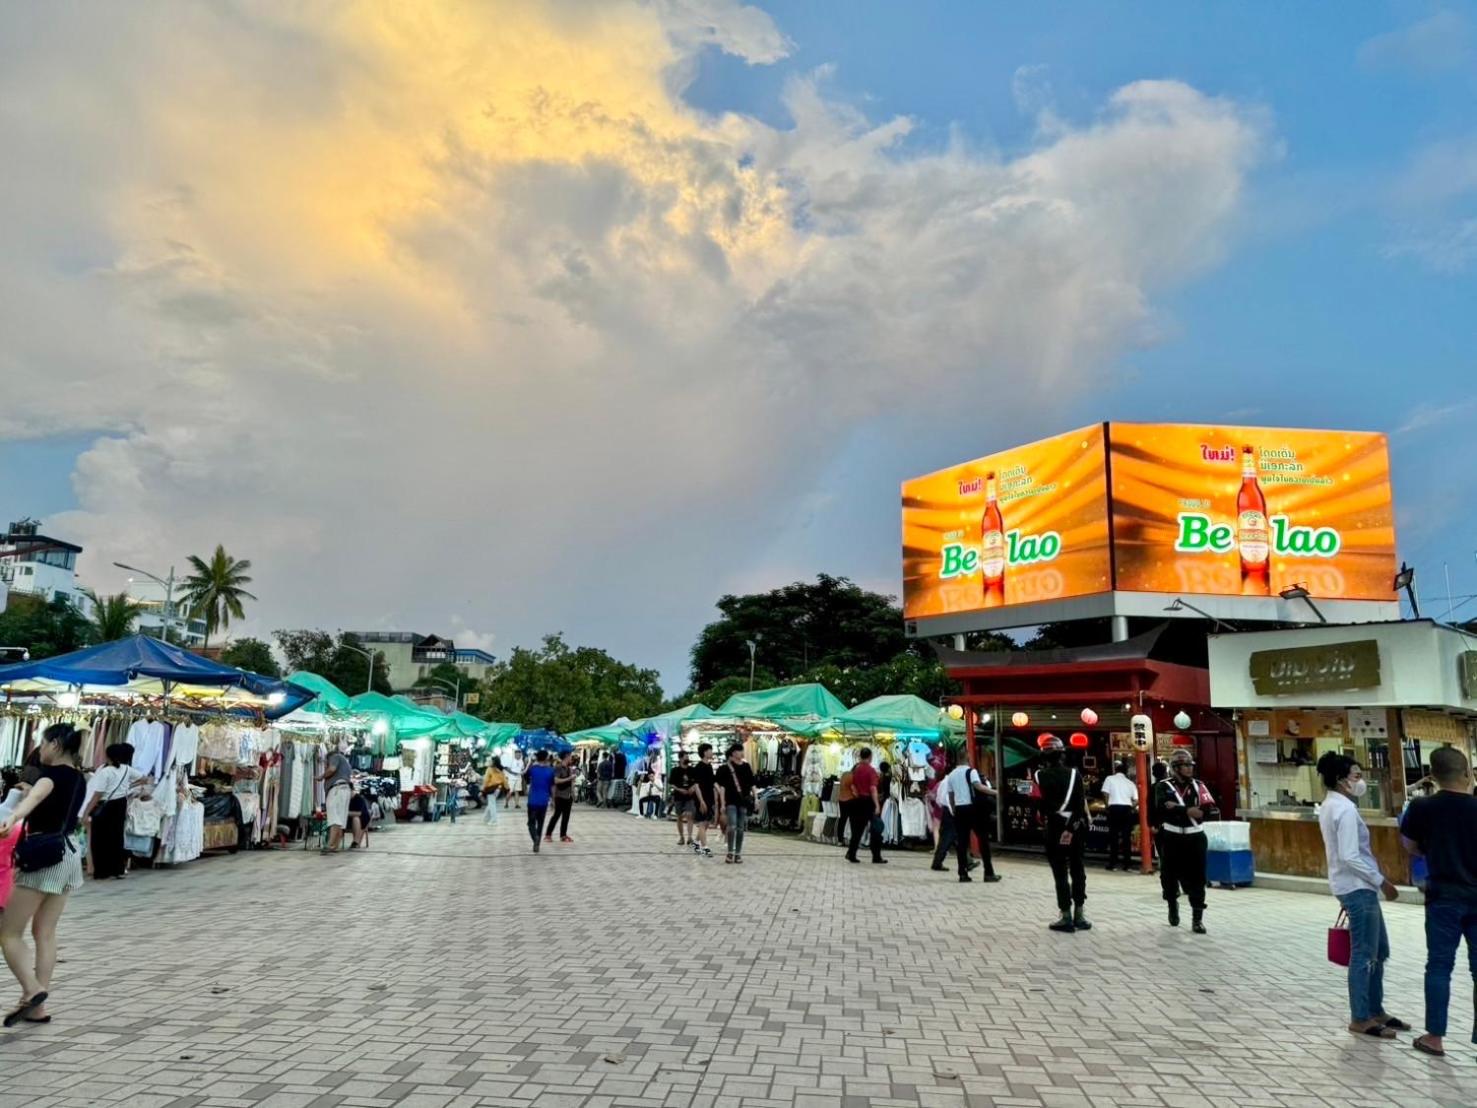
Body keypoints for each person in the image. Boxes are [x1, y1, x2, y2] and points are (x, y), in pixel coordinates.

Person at [0, 723, 87, 1027]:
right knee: (45, 932)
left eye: (43, 742)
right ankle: (37, 1007)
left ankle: (33, 990)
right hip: (68, 854)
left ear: (56, 744)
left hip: (42, 857)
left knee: (8, 933)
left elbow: (35, 799)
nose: (40, 749)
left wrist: (13, 816)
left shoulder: (49, 776)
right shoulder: (79, 777)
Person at [1316, 751, 1406, 1040]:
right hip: (1357, 887)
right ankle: (1361, 1017)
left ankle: (1375, 1009)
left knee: (1379, 950)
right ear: (1341, 780)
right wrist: (1383, 882)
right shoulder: (1342, 809)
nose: (1360, 781)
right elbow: (1350, 855)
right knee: (1364, 954)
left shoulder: (1334, 805)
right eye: (1356, 775)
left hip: (1358, 886)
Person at [1400, 745, 1477, 1057]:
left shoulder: (1422, 807)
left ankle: (1434, 1037)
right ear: (1467, 774)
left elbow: (1409, 845)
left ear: (1432, 775)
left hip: (1442, 897)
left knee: (1439, 966)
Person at [1153, 749, 1219, 932]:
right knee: (1169, 876)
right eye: (1185, 766)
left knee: (1198, 878)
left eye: (1191, 765)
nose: (1190, 769)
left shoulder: (1199, 786)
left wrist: (1176, 808)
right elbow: (1162, 808)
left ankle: (1197, 919)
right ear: (1175, 768)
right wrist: (1188, 810)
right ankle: (1172, 904)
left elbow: (1209, 809)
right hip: (1171, 837)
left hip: (1195, 836)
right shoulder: (1163, 786)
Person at [1035, 735, 1090, 933]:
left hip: (1054, 827)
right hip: (1075, 828)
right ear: (1062, 755)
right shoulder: (1075, 774)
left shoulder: (1038, 776)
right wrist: (1071, 828)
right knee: (1078, 869)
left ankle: (1065, 916)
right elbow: (1080, 805)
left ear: (1044, 756)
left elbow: (1037, 804)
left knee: (1060, 873)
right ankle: (1080, 915)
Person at [80, 743, 150, 881]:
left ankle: (102, 872)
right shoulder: (126, 769)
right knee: (116, 837)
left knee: (100, 839)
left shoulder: (105, 772)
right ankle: (118, 870)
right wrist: (129, 786)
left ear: (109, 757)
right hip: (120, 804)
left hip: (105, 806)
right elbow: (144, 779)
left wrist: (86, 811)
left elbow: (98, 795)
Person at [937, 758, 999, 883]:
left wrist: (954, 809)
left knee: (962, 843)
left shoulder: (951, 775)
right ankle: (988, 873)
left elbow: (951, 795)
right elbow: (978, 786)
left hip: (959, 810)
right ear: (968, 760)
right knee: (983, 839)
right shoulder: (971, 771)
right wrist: (995, 792)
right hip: (973, 809)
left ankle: (962, 874)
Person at [716, 743, 756, 864]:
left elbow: (752, 783)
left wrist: (756, 797)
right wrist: (723, 803)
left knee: (740, 828)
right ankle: (730, 852)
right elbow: (722, 787)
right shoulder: (725, 768)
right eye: (739, 751)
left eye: (742, 750)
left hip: (743, 801)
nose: (742, 753)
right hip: (731, 801)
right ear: (733, 753)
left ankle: (738, 853)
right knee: (732, 826)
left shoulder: (746, 766)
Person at [845, 747, 886, 865]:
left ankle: (851, 853)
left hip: (857, 801)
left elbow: (852, 785)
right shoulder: (871, 771)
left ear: (860, 756)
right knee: (876, 829)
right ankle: (876, 856)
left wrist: (856, 794)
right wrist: (877, 805)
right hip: (868, 802)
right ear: (870, 757)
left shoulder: (856, 769)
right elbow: (873, 788)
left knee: (857, 830)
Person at [1101, 760, 1138, 872]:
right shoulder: (1130, 783)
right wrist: (1131, 807)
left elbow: (1105, 793)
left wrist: (1107, 806)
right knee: (1126, 838)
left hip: (1114, 808)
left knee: (1114, 837)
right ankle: (1127, 864)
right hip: (1127, 809)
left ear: (1115, 770)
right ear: (1125, 772)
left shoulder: (1109, 779)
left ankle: (1113, 864)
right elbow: (1136, 800)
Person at [318, 742, 354, 854]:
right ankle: (335, 845)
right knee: (340, 819)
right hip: (345, 790)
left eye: (326, 762)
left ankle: (330, 845)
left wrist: (321, 776)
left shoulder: (334, 757)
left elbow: (332, 769)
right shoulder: (345, 762)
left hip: (337, 790)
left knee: (334, 818)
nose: (326, 764)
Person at [525, 751, 557, 853]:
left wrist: (530, 762)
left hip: (532, 801)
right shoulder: (550, 771)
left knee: (531, 823)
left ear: (537, 758)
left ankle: (535, 838)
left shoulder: (532, 769)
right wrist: (553, 800)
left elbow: (525, 775)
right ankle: (537, 843)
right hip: (544, 801)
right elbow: (552, 787)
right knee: (540, 823)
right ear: (546, 758)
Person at [690, 744, 717, 858]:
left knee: (706, 823)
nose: (712, 752)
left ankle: (696, 842)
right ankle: (705, 847)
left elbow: (712, 783)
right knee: (702, 823)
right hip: (701, 798)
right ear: (705, 752)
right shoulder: (698, 767)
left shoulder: (709, 766)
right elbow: (696, 786)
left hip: (709, 798)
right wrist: (701, 801)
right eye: (710, 750)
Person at [545, 752, 577, 844]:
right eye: (570, 756)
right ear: (566, 757)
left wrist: (573, 793)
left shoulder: (569, 768)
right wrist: (569, 778)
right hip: (559, 795)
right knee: (556, 815)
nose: (571, 758)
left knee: (566, 817)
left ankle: (563, 835)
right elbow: (556, 780)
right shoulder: (558, 768)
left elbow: (571, 782)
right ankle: (548, 835)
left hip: (568, 796)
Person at [669, 750, 697, 847]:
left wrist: (693, 788)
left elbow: (696, 782)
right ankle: (681, 837)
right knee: (679, 816)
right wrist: (679, 789)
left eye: (688, 757)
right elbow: (672, 784)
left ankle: (690, 837)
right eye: (686, 757)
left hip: (690, 796)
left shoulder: (692, 770)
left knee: (690, 815)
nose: (687, 758)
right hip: (679, 796)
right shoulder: (675, 770)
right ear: (680, 758)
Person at [482, 758, 507, 825]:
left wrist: (483, 789)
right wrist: (506, 788)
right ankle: (485, 818)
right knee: (491, 803)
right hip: (498, 788)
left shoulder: (489, 769)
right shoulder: (500, 769)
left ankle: (494, 820)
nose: (489, 762)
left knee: (492, 804)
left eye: (490, 761)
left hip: (491, 788)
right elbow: (504, 779)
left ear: (493, 762)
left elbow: (486, 780)